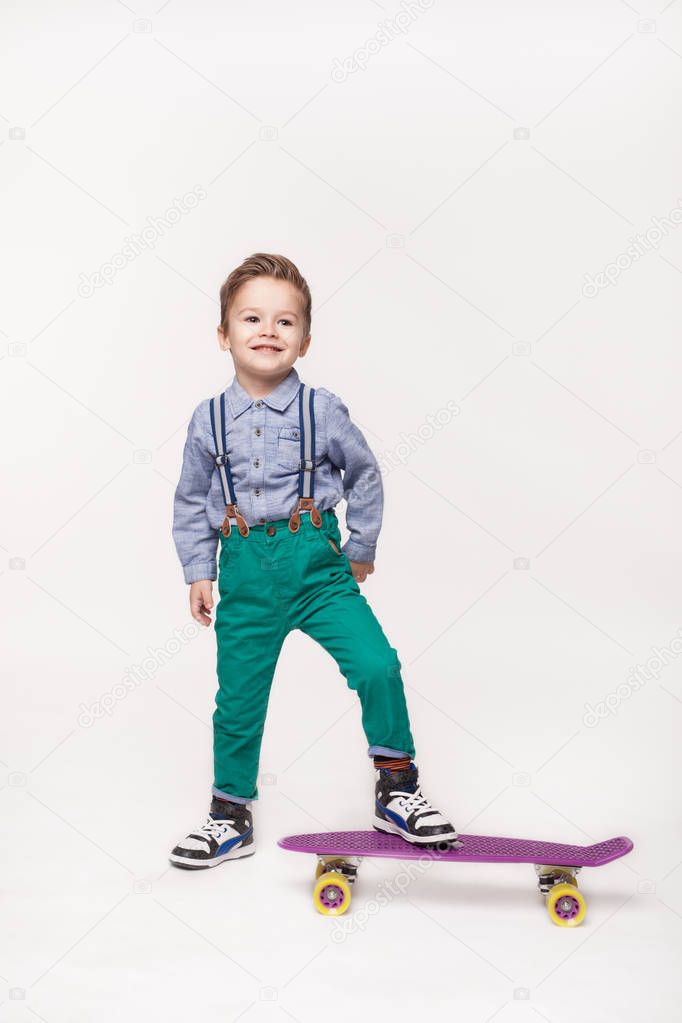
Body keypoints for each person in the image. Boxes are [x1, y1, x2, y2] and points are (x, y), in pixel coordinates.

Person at [169, 252, 458, 869]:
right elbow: (192, 499)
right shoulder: (207, 419)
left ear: (305, 339)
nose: (267, 331)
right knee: (239, 698)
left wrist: (359, 546)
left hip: (318, 569)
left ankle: (397, 789)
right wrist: (199, 570)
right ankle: (229, 816)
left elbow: (366, 475)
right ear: (224, 335)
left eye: (285, 321)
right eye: (251, 318)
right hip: (244, 569)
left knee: (377, 664)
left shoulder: (321, 410)